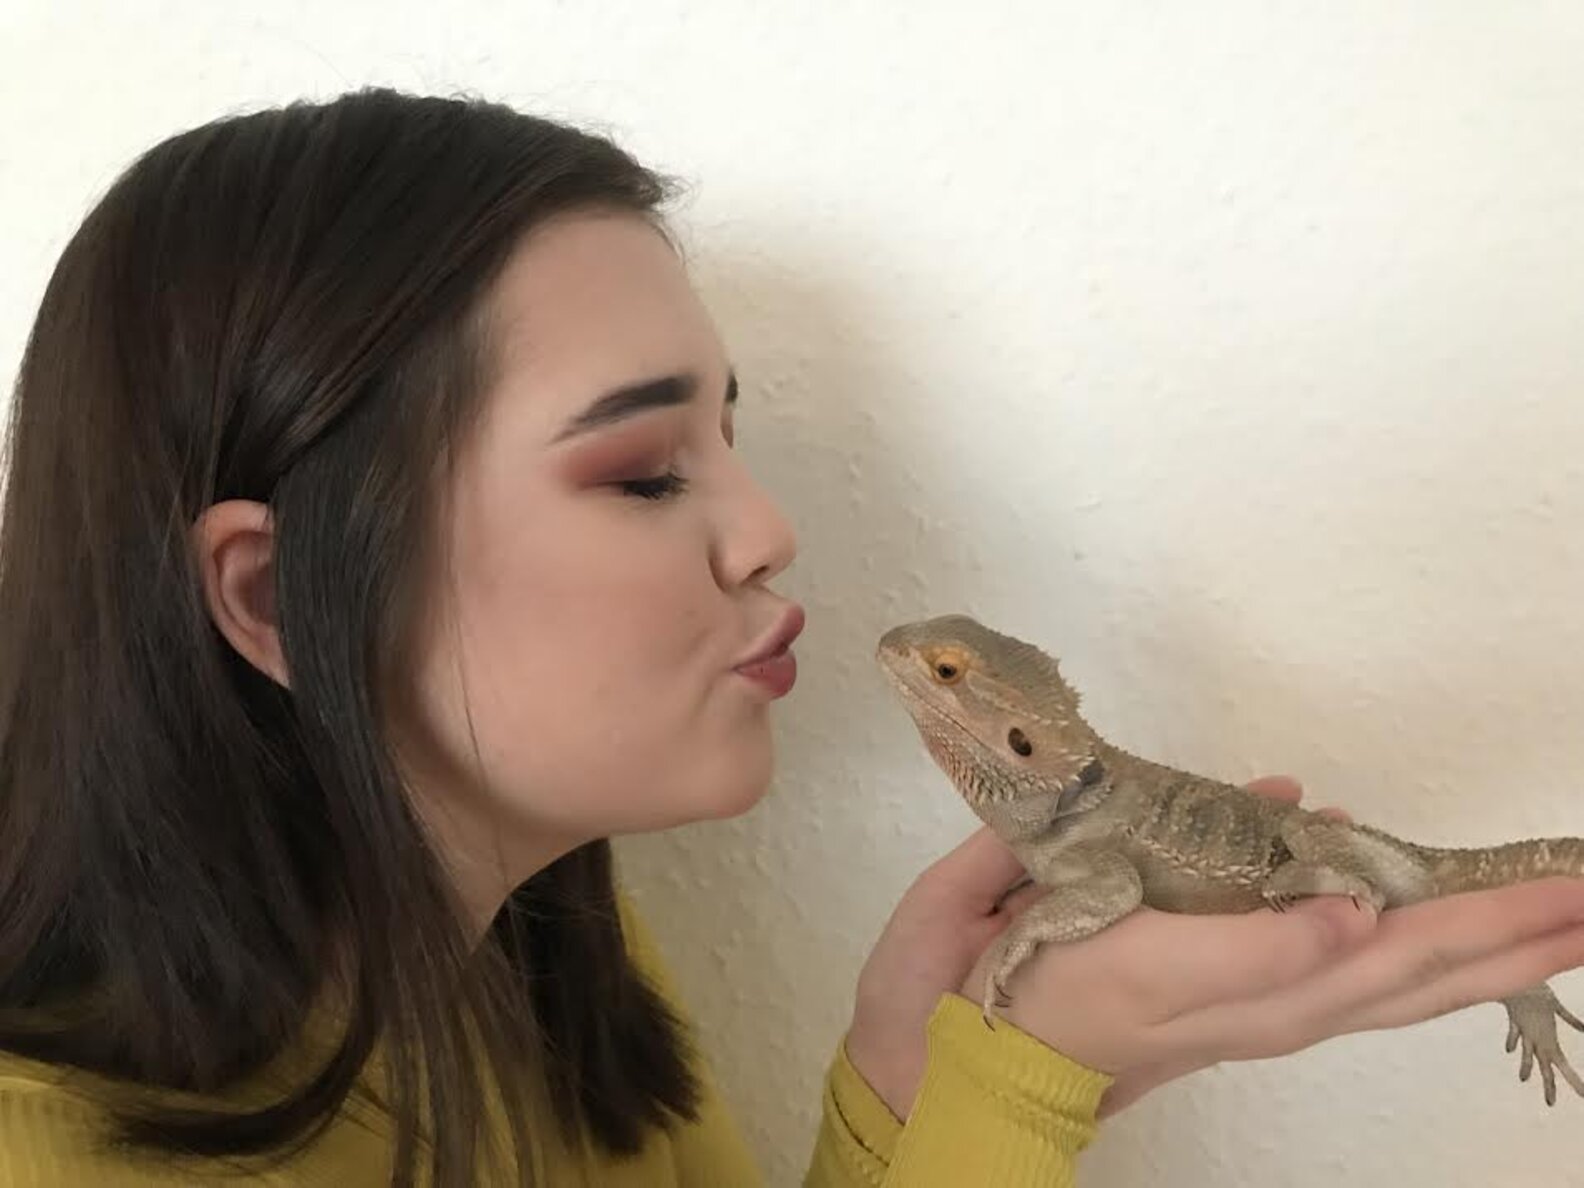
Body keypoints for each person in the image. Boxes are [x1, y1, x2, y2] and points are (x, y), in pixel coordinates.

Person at [3, 88, 1583, 1188]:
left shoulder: (558, 990)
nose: (767, 530)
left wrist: (914, 1077)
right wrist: (1020, 1080)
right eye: (642, 471)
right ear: (279, 597)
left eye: (728, 437)